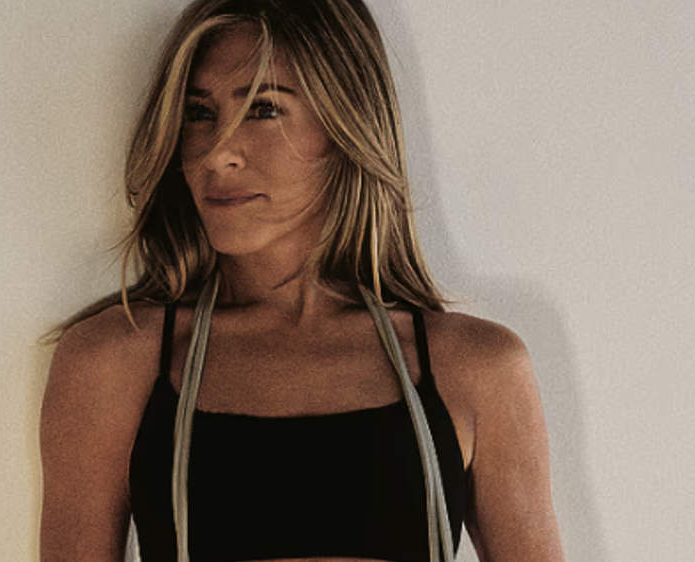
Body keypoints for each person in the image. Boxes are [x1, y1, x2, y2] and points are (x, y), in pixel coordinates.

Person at [39, 0, 564, 561]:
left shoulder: (476, 369)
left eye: (263, 109)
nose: (218, 154)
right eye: (199, 113)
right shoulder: (116, 364)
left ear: (345, 125)